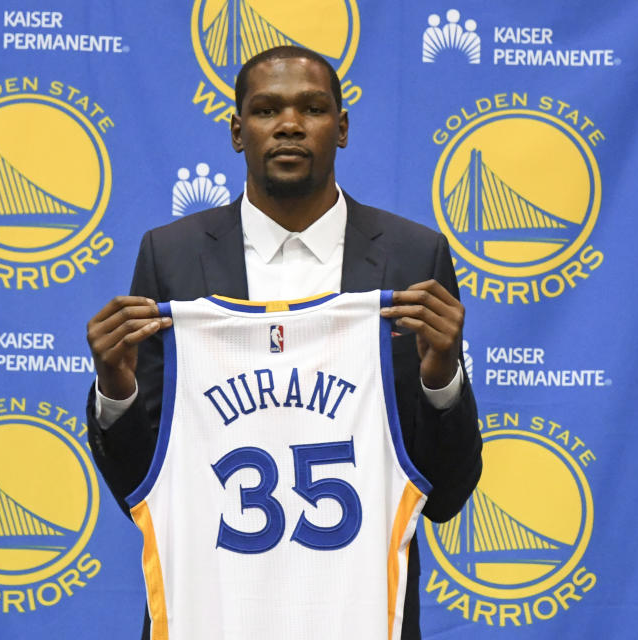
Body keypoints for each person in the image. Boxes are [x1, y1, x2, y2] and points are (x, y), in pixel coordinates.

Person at [85, 45, 481, 640]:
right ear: (238, 132)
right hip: (211, 612)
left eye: (313, 108)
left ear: (341, 128)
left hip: (363, 615)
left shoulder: (411, 258)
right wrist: (115, 392)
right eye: (267, 109)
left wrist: (441, 381)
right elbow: (144, 488)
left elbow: (445, 495)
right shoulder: (170, 257)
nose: (290, 125)